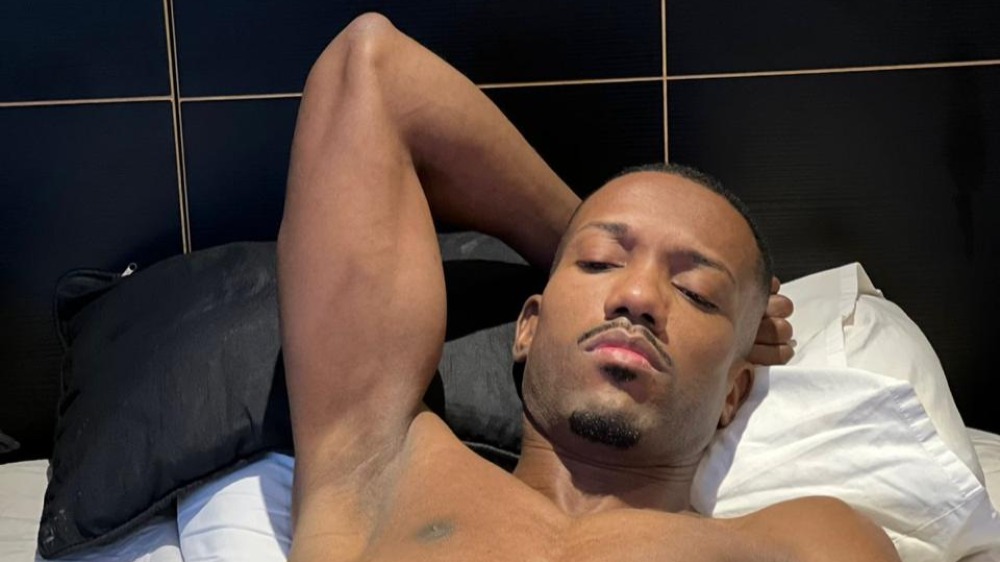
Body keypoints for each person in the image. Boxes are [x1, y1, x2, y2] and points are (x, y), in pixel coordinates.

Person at [276, 13, 901, 562]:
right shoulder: (377, 469)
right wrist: (572, 237)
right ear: (528, 327)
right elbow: (372, 68)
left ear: (733, 395)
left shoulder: (802, 541)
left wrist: (596, 254)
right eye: (601, 263)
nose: (639, 298)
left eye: (696, 293)